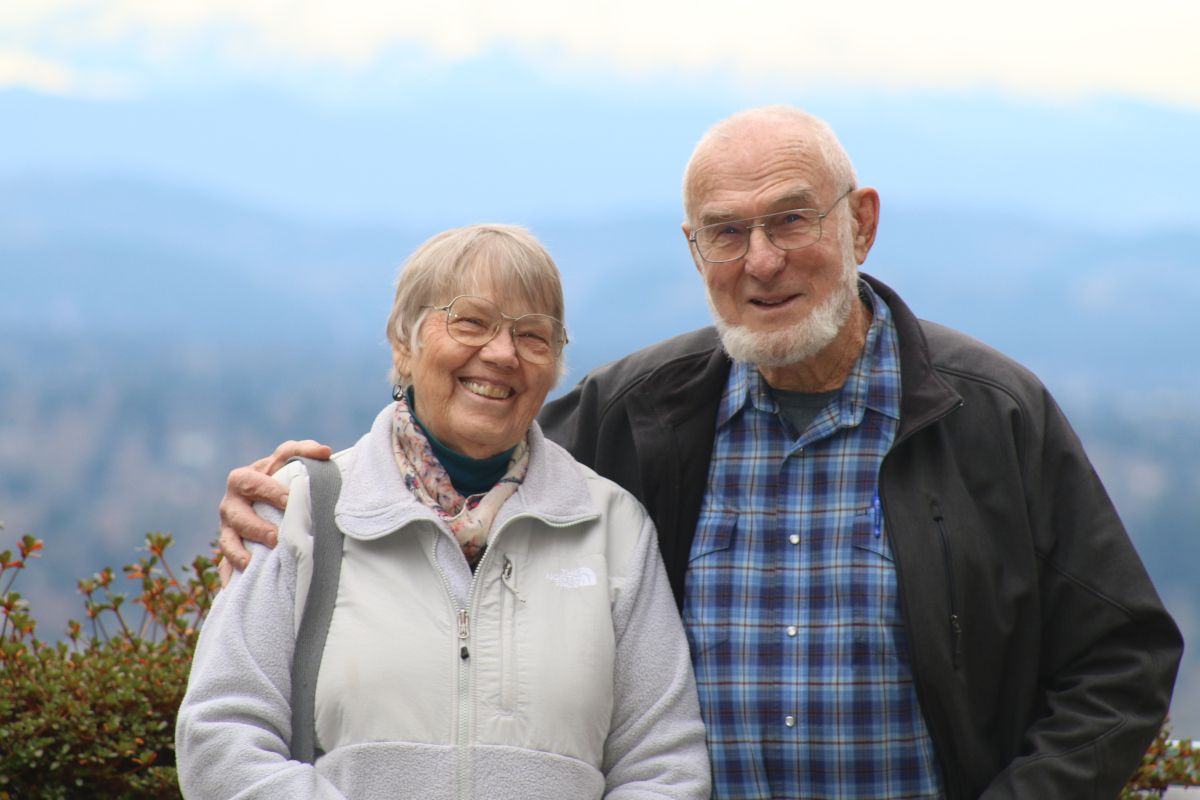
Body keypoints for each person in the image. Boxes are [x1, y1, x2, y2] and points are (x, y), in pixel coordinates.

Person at [217, 108, 1183, 799]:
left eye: (792, 218)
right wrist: (312, 489)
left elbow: (1124, 654)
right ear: (694, 250)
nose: (760, 259)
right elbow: (474, 434)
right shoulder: (643, 413)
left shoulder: (989, 417)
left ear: (862, 223)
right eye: (727, 232)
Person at [176, 224, 711, 799]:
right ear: (403, 342)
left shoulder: (612, 527)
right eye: (471, 322)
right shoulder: (302, 510)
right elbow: (220, 737)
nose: (502, 354)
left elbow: (664, 766)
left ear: (554, 365)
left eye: (533, 336)